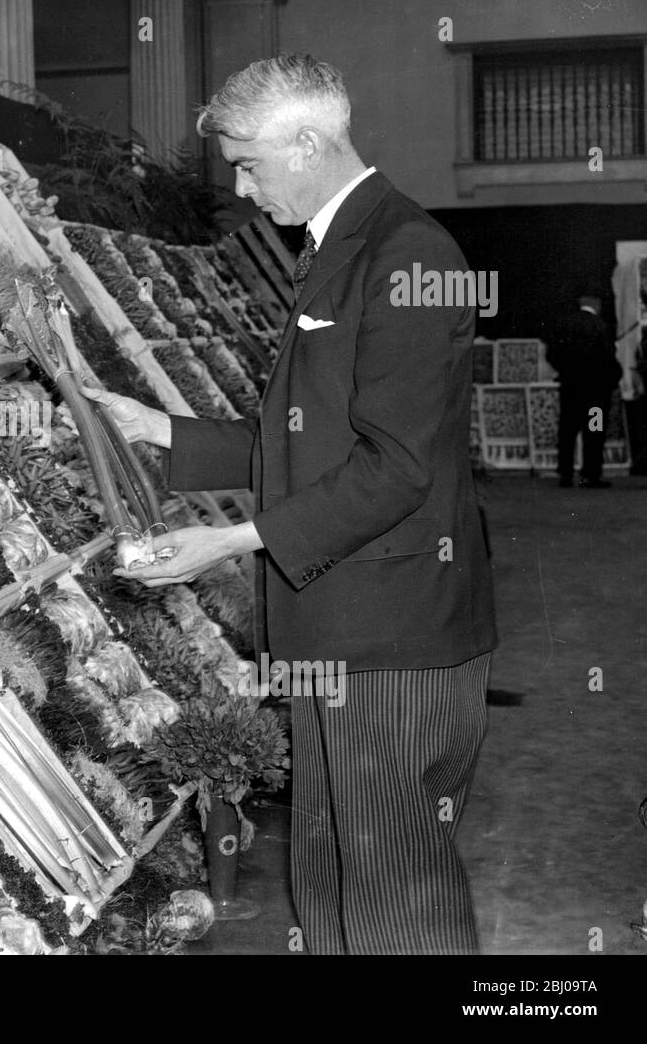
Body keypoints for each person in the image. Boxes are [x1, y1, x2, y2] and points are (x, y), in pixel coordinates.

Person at [87, 54, 497, 955]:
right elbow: (311, 436)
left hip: (391, 641)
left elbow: (395, 468)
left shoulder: (409, 254)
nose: (239, 185)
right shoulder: (337, 244)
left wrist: (230, 539)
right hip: (336, 631)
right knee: (331, 870)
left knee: (395, 896)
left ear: (309, 142)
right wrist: (159, 428)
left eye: (248, 162)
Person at [545, 295, 622, 488]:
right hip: (596, 392)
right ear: (596, 305)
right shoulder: (600, 326)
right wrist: (612, 379)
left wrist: (565, 371)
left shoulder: (565, 325)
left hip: (571, 388)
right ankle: (591, 474)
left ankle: (565, 473)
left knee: (568, 430)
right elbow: (609, 359)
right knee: (594, 432)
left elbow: (551, 353)